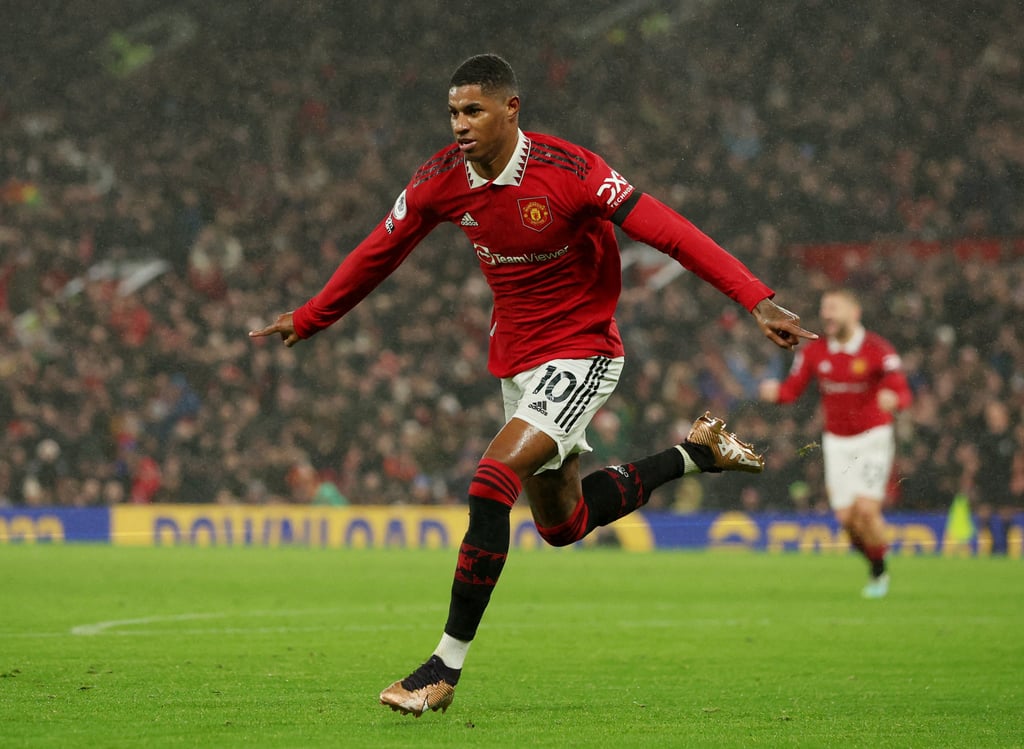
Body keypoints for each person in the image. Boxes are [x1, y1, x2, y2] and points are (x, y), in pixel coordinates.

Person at [250, 54, 816, 717]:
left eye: (474, 111)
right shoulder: (440, 179)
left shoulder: (572, 171)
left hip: (583, 352)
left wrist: (757, 299)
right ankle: (697, 453)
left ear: (510, 109)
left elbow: (672, 233)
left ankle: (442, 667)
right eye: (453, 112)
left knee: (491, 480)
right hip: (517, 360)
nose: (459, 125)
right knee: (562, 523)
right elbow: (380, 248)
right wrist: (313, 316)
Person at [759, 288, 911, 599]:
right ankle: (876, 562)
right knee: (846, 520)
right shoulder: (814, 352)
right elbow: (792, 391)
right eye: (824, 308)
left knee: (866, 511)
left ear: (854, 313)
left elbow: (902, 391)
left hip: (872, 438)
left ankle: (880, 570)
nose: (826, 314)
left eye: (834, 308)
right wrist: (775, 393)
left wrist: (893, 398)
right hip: (836, 443)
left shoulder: (878, 350)